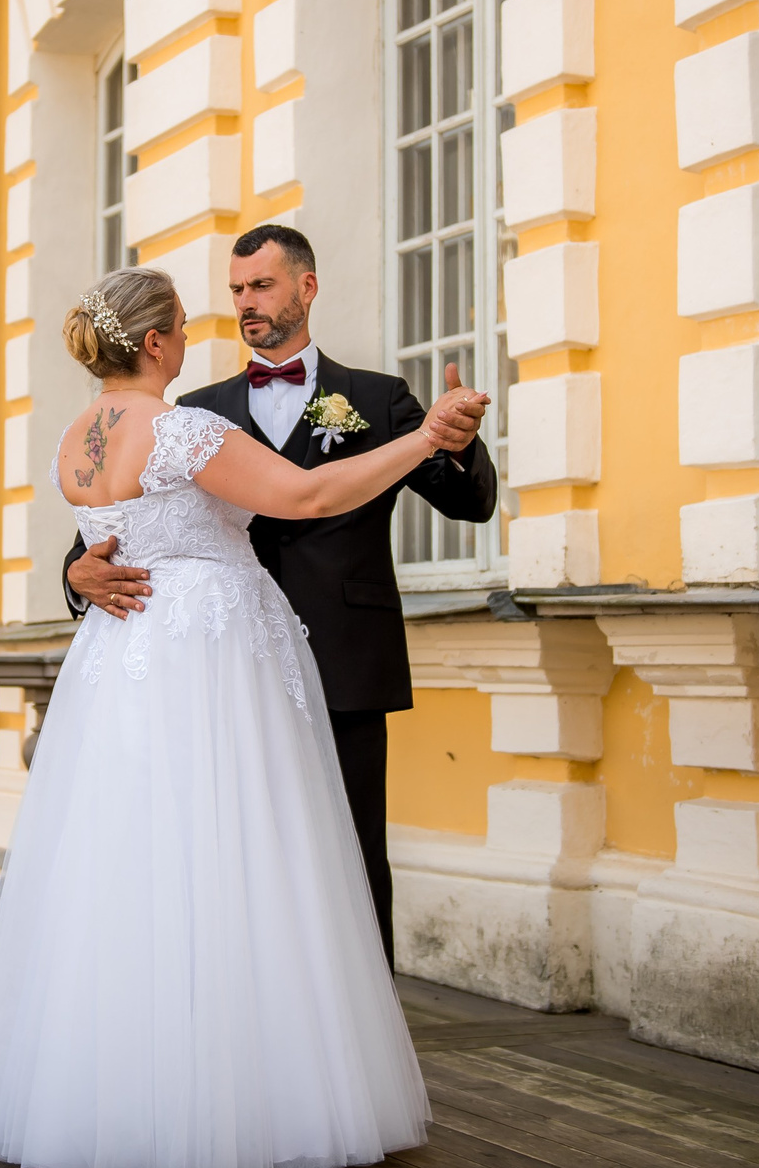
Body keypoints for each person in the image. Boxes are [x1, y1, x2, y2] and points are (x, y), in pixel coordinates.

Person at [0, 266, 492, 1168]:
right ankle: (247, 1097)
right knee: (241, 859)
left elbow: (104, 533)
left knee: (127, 868)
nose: (198, 336)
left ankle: (113, 1096)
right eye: (185, 324)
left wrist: (82, 571)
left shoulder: (72, 438)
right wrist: (425, 436)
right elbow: (305, 496)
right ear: (154, 343)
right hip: (209, 659)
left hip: (123, 666)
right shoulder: (186, 423)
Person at [62, 224, 498, 956]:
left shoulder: (377, 397)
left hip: (343, 665)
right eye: (235, 290)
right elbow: (111, 534)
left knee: (353, 863)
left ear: (306, 286)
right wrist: (77, 575)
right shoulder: (188, 410)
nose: (245, 303)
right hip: (217, 676)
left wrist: (451, 439)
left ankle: (358, 1039)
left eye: (260, 285)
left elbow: (471, 504)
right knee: (232, 860)